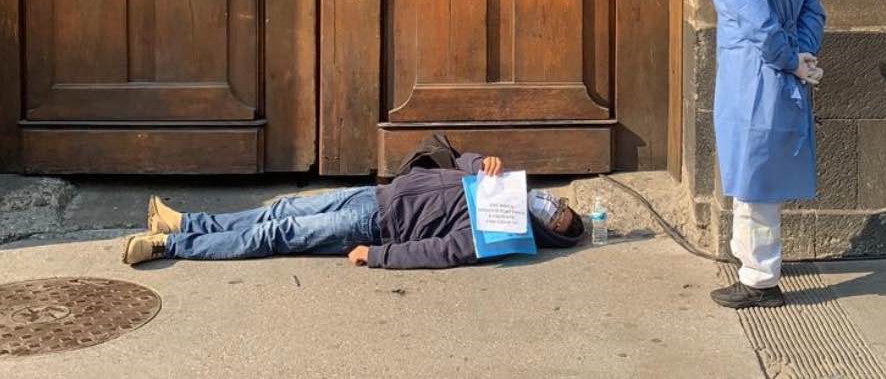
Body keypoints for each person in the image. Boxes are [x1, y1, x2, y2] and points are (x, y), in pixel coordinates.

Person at [681, 0, 826, 309]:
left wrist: (787, 58)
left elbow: (758, 25)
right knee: (758, 175)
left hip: (753, 81)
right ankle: (754, 260)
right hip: (780, 79)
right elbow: (813, 10)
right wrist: (802, 53)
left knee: (754, 180)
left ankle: (760, 279)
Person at [121, 150, 584, 268]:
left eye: (557, 215)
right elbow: (455, 158)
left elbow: (442, 252)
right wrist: (479, 163)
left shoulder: (502, 232)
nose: (551, 203)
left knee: (277, 234)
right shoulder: (502, 188)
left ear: (549, 232)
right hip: (375, 195)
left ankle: (170, 245)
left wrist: (376, 255)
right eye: (558, 202)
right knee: (280, 207)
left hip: (378, 226)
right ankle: (188, 222)